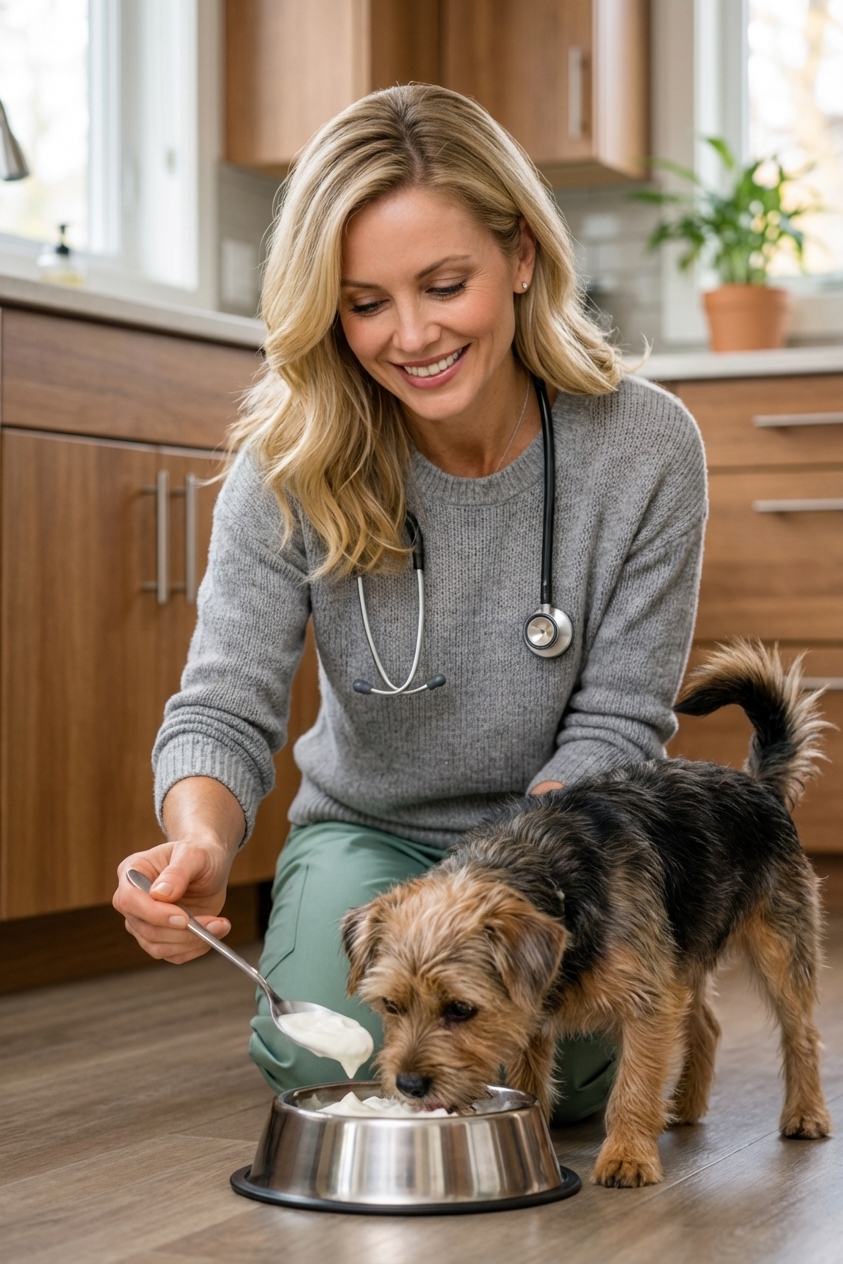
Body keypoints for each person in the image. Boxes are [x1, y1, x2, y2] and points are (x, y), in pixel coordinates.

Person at [113, 84, 706, 1123]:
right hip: (371, 832)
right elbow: (223, 705)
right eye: (365, 302)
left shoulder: (648, 447)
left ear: (520, 257)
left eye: (445, 283)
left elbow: (621, 722)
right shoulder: (287, 460)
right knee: (332, 1064)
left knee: (569, 1074)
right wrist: (199, 841)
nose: (413, 334)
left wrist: (502, 885)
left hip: (556, 846)